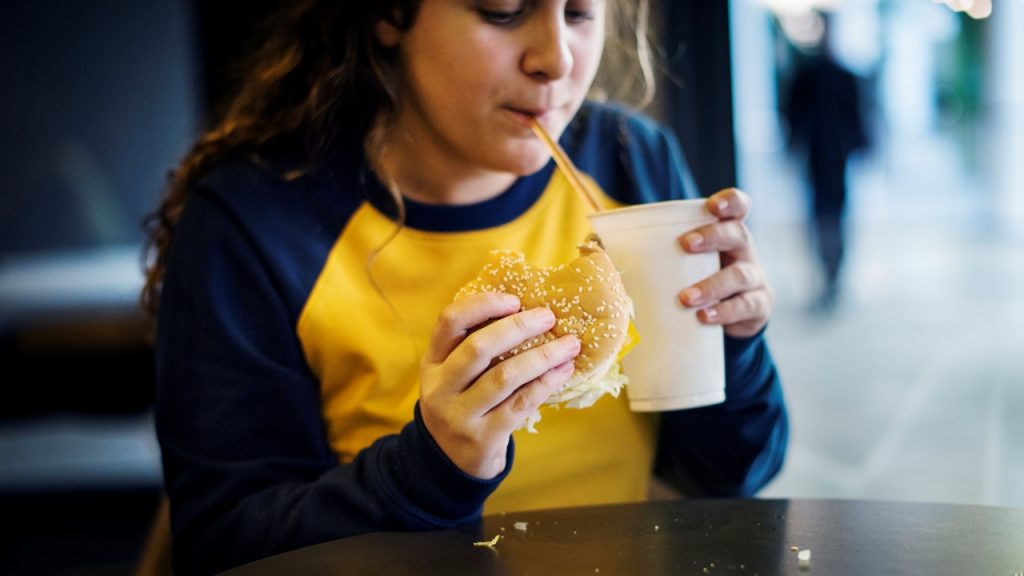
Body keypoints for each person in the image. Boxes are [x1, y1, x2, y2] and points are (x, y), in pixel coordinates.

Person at [141, 1, 788, 574]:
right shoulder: (253, 221)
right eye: (503, 12)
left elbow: (733, 473)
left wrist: (731, 343)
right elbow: (223, 546)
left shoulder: (630, 157)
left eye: (581, 13)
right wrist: (432, 469)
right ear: (389, 16)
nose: (555, 59)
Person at [782, 12, 870, 313]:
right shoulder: (808, 75)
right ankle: (827, 270)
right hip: (817, 157)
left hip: (836, 157)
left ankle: (835, 272)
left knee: (835, 214)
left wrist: (861, 146)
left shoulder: (842, 75)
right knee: (822, 215)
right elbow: (792, 115)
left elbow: (857, 115)